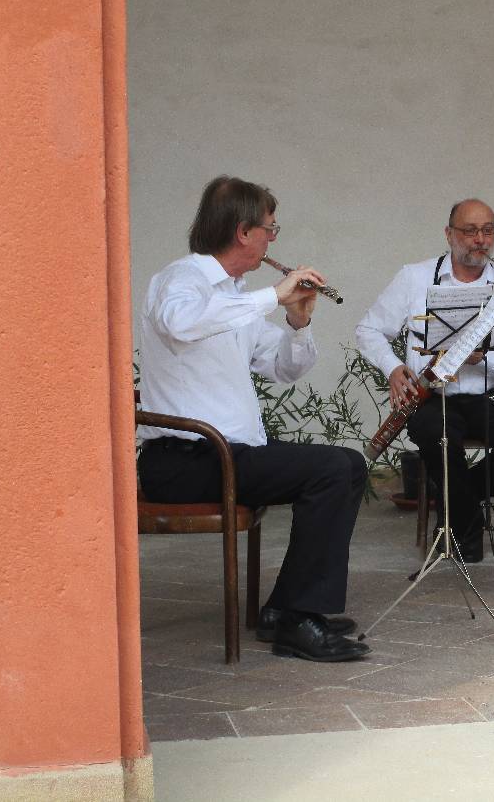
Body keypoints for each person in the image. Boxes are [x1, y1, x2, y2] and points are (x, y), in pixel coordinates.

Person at [137, 176, 371, 661]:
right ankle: (298, 620)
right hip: (181, 460)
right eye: (270, 229)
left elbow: (284, 368)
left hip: (228, 455)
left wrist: (298, 322)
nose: (273, 240)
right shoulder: (182, 280)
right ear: (243, 232)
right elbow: (182, 323)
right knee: (329, 470)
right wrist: (272, 297)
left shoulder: (236, 296)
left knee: (349, 464)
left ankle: (285, 609)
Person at [355, 198, 494, 562]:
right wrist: (393, 368)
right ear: (449, 234)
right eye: (470, 231)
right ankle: (465, 533)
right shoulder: (414, 277)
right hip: (432, 397)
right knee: (438, 439)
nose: (480, 239)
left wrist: (482, 356)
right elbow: (369, 330)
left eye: (488, 230)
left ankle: (458, 504)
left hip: (485, 395)